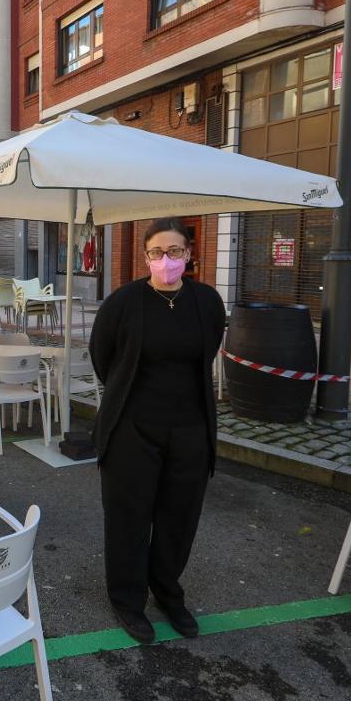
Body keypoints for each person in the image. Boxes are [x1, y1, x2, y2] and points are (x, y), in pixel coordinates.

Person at [88, 217, 227, 644]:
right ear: (145, 256)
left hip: (190, 430)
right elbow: (102, 356)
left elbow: (206, 356)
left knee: (178, 518)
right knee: (129, 518)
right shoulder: (124, 301)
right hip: (132, 427)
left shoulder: (207, 301)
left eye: (175, 252)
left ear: (190, 255)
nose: (165, 260)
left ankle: (167, 591)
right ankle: (127, 599)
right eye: (156, 252)